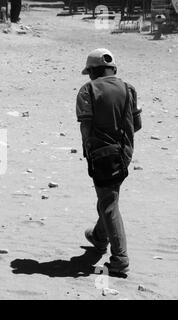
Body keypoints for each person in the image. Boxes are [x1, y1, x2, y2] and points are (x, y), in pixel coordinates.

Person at [76, 48, 142, 275]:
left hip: (102, 155)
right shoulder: (129, 89)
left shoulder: (87, 91)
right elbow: (137, 124)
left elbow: (86, 127)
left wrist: (90, 151)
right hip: (124, 154)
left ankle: (120, 259)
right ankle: (98, 236)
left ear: (94, 71)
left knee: (109, 204)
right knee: (108, 197)